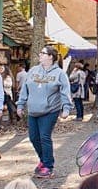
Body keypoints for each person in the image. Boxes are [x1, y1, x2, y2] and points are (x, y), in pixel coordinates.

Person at [16, 46, 72, 179]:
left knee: (44, 137)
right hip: (33, 110)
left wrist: (66, 108)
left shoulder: (59, 73)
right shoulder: (33, 70)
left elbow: (65, 91)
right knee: (33, 137)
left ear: (51, 56)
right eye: (40, 52)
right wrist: (20, 104)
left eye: (43, 53)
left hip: (50, 110)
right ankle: (43, 159)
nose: (40, 55)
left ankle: (48, 166)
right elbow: (25, 88)